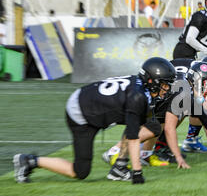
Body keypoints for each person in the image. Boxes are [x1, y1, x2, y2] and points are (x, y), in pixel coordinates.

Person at [13, 57, 177, 184]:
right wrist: (137, 172)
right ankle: (29, 161)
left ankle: (119, 166)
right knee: (80, 171)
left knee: (153, 126)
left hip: (93, 102)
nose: (167, 89)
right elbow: (133, 137)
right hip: (82, 113)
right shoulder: (138, 96)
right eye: (164, 85)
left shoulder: (140, 87)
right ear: (151, 81)